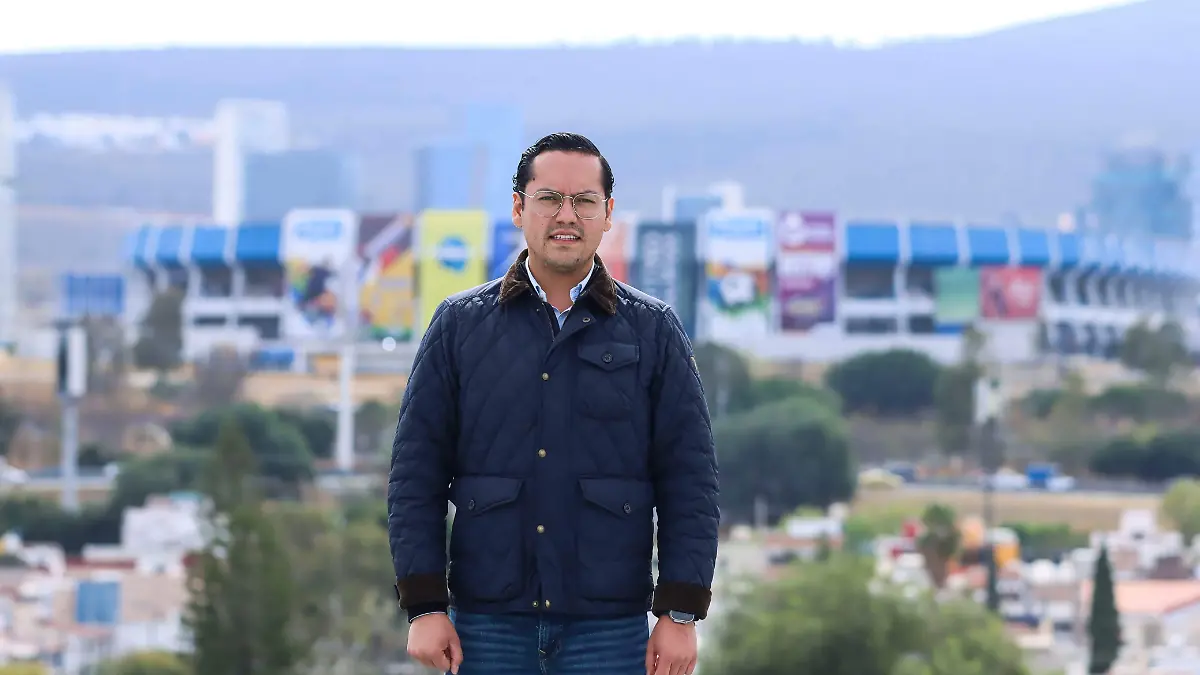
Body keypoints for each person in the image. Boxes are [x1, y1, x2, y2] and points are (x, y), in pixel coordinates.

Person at [388, 132, 719, 675]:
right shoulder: (460, 325)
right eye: (549, 199)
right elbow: (415, 474)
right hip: (486, 625)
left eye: (584, 201)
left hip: (609, 628)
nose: (567, 215)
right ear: (519, 208)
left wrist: (679, 612)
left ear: (607, 213)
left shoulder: (653, 329)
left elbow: (691, 479)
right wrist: (424, 606)